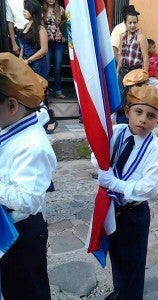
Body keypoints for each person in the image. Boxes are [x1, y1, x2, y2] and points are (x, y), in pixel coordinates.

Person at [94, 69, 158, 299]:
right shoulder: (116, 133)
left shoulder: (153, 149)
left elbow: (149, 187)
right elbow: (97, 155)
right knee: (116, 254)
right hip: (112, 208)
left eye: (151, 116)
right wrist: (99, 162)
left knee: (133, 261)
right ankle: (120, 291)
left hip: (134, 213)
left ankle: (130, 295)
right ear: (127, 111)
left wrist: (115, 183)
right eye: (138, 112)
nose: (143, 120)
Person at [0, 52, 57, 299]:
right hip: (8, 223)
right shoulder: (9, 125)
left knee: (27, 288)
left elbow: (27, 199)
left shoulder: (33, 146)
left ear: (12, 105)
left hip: (22, 231)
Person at [19, 0, 58, 134]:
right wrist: (20, 61)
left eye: (26, 9)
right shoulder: (26, 25)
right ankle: (36, 120)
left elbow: (44, 50)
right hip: (26, 63)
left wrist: (28, 61)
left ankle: (51, 119)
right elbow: (23, 47)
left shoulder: (40, 28)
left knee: (39, 92)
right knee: (28, 93)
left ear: (33, 11)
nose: (24, 11)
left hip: (37, 63)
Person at [116, 8, 148, 124]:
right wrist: (117, 71)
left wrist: (145, 75)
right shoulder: (122, 36)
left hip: (135, 72)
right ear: (125, 23)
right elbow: (121, 55)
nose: (133, 25)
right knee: (120, 96)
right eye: (130, 22)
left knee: (133, 97)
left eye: (135, 22)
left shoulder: (141, 37)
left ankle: (133, 122)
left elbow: (145, 58)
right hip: (123, 71)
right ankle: (121, 122)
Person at [42, 0, 67, 99]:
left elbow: (66, 24)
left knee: (57, 68)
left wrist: (63, 35)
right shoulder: (41, 10)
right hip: (46, 43)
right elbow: (39, 26)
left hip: (59, 43)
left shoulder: (61, 9)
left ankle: (58, 91)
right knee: (46, 67)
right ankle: (44, 91)